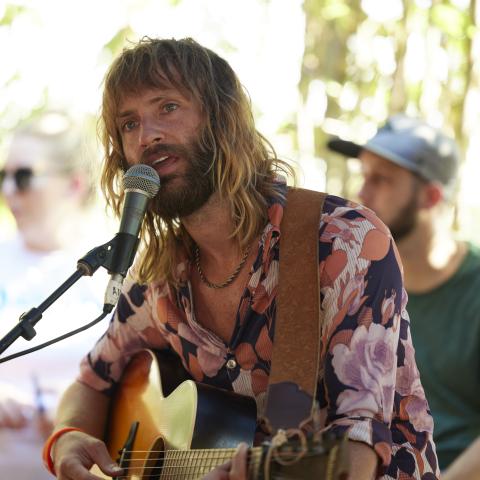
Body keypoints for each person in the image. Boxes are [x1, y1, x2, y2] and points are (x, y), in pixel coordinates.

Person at [47, 37, 439, 480]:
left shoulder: (342, 244)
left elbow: (358, 448)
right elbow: (91, 381)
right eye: (129, 123)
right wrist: (68, 435)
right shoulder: (158, 277)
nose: (148, 135)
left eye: (168, 108)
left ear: (222, 119)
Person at [328, 115, 480, 474]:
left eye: (381, 179)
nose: (362, 194)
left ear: (431, 196)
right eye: (364, 177)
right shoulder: (352, 280)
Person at [0, 111, 110, 479]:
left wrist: (77, 413)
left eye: (24, 176)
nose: (9, 190)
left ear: (74, 184)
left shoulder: (120, 269)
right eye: (4, 176)